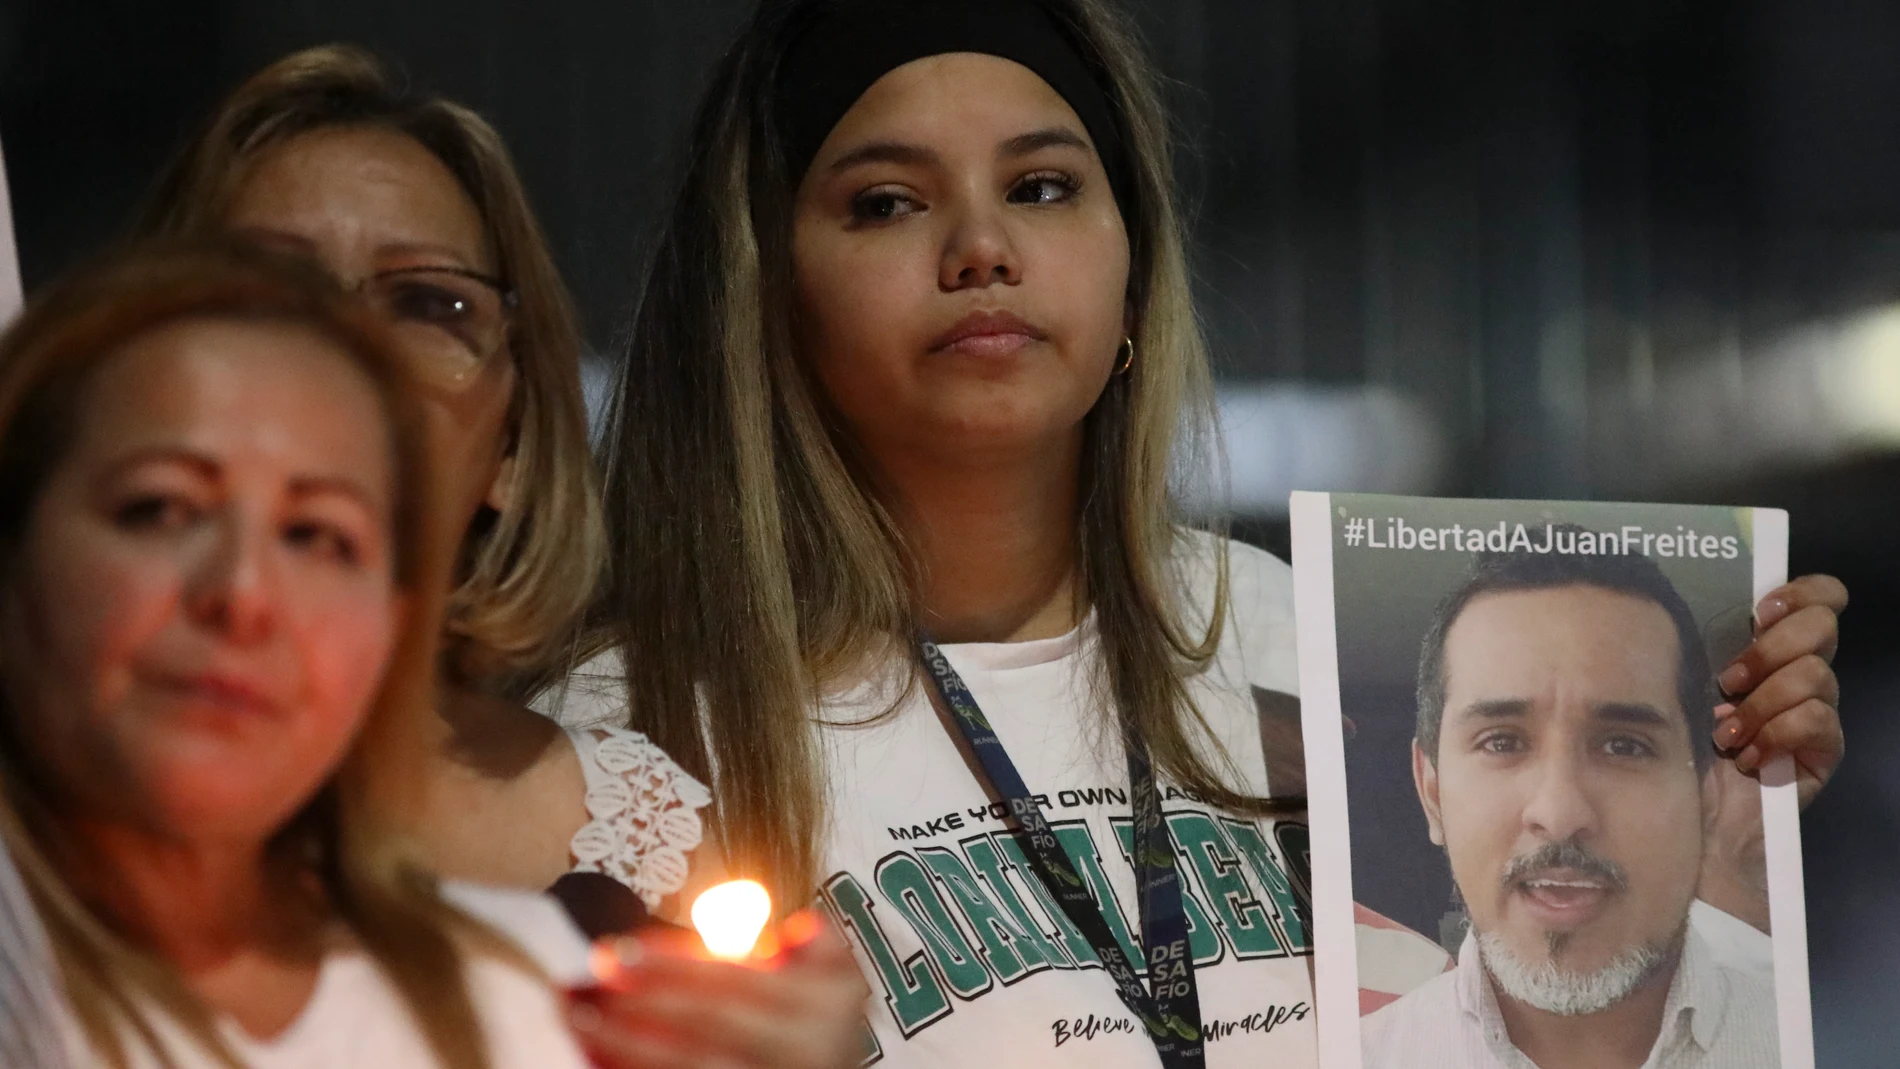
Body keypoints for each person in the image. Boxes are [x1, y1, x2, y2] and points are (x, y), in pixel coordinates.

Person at [555, 1, 1849, 1065]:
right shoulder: (635, 731)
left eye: (1047, 186)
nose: (984, 245)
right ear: (766, 294)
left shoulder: (1299, 633)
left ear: (1131, 276)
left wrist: (1723, 844)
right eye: (887, 202)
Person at [134, 47, 871, 1069]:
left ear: (514, 443)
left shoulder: (632, 834)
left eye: (425, 302)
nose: (350, 341)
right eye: (267, 285)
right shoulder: (47, 794)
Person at [0, 240, 590, 1068]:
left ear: (393, 625)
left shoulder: (514, 984)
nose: (243, 593)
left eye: (318, 535)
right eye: (161, 508)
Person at [1360, 543, 1792, 1069]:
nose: (1560, 813)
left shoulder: (1819, 1039)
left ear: (1705, 792)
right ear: (1431, 792)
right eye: (1501, 742)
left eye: (1624, 745)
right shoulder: (1358, 1055)